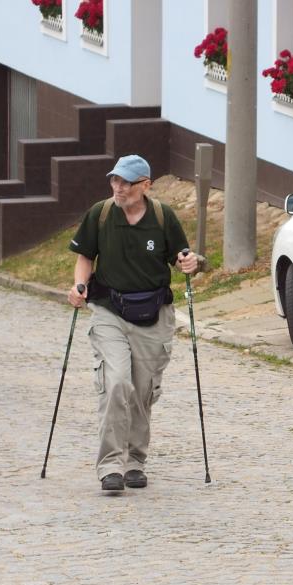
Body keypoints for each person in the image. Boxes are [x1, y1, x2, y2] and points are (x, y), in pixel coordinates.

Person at [68, 155, 203, 491]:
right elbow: (85, 257)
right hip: (109, 311)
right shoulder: (100, 214)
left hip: (153, 314)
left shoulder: (162, 217)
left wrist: (190, 263)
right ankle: (110, 465)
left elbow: (182, 258)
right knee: (116, 383)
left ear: (146, 185)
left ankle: (134, 461)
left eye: (126, 182)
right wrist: (79, 285)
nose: (118, 187)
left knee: (142, 391)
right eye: (115, 180)